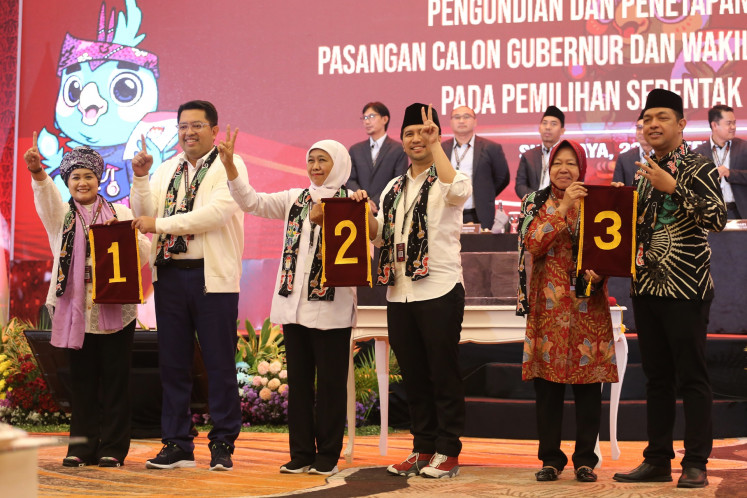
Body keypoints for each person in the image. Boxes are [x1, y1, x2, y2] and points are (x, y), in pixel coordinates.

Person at [222, 137, 356, 477]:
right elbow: (250, 201)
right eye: (311, 160)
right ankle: (300, 453)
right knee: (298, 384)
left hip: (332, 309)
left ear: (338, 164)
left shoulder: (353, 202)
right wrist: (230, 168)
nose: (314, 166)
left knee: (329, 386)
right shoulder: (294, 199)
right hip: (292, 307)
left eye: (323, 160)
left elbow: (367, 242)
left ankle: (327, 454)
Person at [613, 89, 726, 489]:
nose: (653, 124)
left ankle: (696, 461)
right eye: (647, 118)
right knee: (657, 379)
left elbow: (717, 219)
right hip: (646, 288)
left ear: (681, 123)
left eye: (662, 117)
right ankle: (658, 458)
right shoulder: (643, 171)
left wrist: (674, 186)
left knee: (691, 376)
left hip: (686, 288)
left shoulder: (700, 166)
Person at [129, 100, 245, 471]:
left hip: (212, 278)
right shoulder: (167, 168)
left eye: (197, 125)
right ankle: (177, 443)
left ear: (214, 129)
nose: (188, 132)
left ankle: (223, 443)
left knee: (219, 364)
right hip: (171, 276)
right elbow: (142, 213)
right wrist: (142, 178)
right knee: (173, 365)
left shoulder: (229, 165)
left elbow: (215, 215)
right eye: (183, 126)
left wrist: (159, 225)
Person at [25, 139, 150, 468]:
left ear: (99, 179)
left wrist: (124, 238)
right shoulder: (61, 216)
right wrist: (38, 171)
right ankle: (80, 448)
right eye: (75, 177)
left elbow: (146, 252)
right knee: (81, 384)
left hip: (116, 311)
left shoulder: (119, 212)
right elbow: (45, 197)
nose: (82, 182)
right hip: (74, 311)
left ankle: (112, 448)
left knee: (115, 382)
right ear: (67, 181)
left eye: (88, 176)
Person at [362, 103, 470, 479]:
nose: (416, 139)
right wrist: (366, 218)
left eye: (424, 132)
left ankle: (449, 451)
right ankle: (422, 448)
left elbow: (456, 192)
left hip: (439, 289)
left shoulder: (450, 177)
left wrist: (437, 144)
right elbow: (381, 237)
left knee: (443, 374)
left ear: (436, 135)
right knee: (413, 376)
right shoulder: (393, 186)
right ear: (402, 141)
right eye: (409, 133)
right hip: (400, 292)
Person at [516, 139, 618, 483]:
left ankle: (586, 460)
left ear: (582, 169)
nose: (564, 169)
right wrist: (561, 209)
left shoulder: (597, 201)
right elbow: (533, 243)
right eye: (558, 162)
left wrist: (602, 269)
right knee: (548, 387)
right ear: (549, 167)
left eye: (571, 164)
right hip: (548, 305)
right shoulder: (534, 201)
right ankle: (550, 460)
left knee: (589, 387)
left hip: (589, 305)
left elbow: (613, 248)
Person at [441, 105, 510, 226]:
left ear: (475, 121)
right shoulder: (441, 149)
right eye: (457, 117)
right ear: (451, 122)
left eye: (466, 117)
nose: (461, 121)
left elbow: (503, 178)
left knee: (480, 245)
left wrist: (485, 193)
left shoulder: (491, 148)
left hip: (478, 214)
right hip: (447, 214)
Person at [347, 101, 408, 214]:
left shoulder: (399, 149)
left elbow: (399, 181)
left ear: (385, 119)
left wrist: (375, 202)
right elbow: (350, 179)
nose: (367, 121)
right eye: (364, 118)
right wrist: (364, 200)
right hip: (359, 208)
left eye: (371, 116)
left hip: (387, 210)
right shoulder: (355, 150)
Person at [693, 105, 745, 219]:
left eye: (734, 123)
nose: (733, 127)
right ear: (714, 125)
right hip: (710, 216)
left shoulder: (744, 148)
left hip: (739, 213)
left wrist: (730, 173)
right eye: (729, 123)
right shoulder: (697, 154)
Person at [515, 106, 565, 199]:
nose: (548, 127)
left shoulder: (570, 156)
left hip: (560, 207)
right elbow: (520, 185)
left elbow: (575, 186)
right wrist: (538, 199)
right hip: (533, 208)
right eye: (544, 123)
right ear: (539, 128)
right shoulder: (528, 155)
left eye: (553, 124)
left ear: (562, 130)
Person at [613, 111, 652, 186]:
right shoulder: (624, 158)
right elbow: (616, 188)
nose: (641, 132)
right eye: (639, 128)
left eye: (646, 128)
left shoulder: (666, 156)